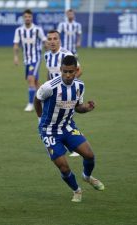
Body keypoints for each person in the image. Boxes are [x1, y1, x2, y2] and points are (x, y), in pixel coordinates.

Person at [34, 55, 104, 202]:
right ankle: (77, 190)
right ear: (60, 69)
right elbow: (37, 99)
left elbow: (77, 107)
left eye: (71, 72)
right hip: (49, 131)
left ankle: (87, 176)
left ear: (76, 70)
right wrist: (40, 119)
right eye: (64, 71)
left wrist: (87, 108)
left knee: (89, 155)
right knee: (64, 167)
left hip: (68, 127)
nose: (67, 75)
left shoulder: (80, 86)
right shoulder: (50, 86)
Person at [44, 30, 82, 157]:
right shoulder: (47, 56)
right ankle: (55, 143)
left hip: (66, 91)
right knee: (53, 119)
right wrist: (47, 87)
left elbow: (79, 70)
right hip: (52, 93)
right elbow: (49, 74)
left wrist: (69, 85)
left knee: (67, 118)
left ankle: (74, 146)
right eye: (50, 39)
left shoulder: (66, 54)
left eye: (55, 38)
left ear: (59, 40)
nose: (52, 41)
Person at [13, 9, 47, 112]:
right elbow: (16, 44)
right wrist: (16, 57)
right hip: (26, 60)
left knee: (30, 79)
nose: (27, 18)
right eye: (26, 17)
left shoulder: (37, 30)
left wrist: (49, 53)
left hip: (36, 59)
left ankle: (31, 104)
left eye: (29, 17)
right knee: (35, 82)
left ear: (32, 18)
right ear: (23, 18)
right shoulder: (19, 30)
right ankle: (48, 98)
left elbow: (45, 42)